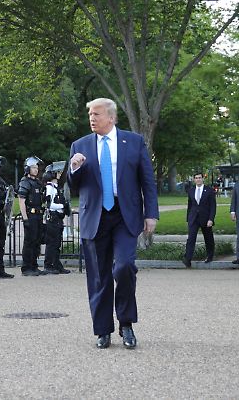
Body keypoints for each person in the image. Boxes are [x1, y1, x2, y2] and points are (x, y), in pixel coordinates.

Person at [68, 98, 158, 349]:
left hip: (124, 215)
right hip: (94, 217)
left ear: (111, 117)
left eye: (96, 114)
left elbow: (147, 181)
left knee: (125, 267)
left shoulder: (134, 142)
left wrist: (151, 213)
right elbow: (73, 186)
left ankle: (126, 323)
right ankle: (103, 330)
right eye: (89, 114)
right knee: (98, 277)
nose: (92, 118)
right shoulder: (80, 145)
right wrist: (74, 168)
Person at [18, 156, 47, 276]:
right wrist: (25, 218)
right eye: (33, 167)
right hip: (30, 215)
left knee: (36, 241)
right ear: (27, 168)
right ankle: (26, 267)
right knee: (29, 242)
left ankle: (34, 265)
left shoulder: (38, 183)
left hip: (39, 215)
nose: (36, 170)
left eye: (36, 167)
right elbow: (21, 201)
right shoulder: (25, 182)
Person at [42, 162, 72, 274]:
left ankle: (56, 264)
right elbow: (49, 205)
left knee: (56, 243)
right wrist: (62, 206)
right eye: (57, 172)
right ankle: (48, 265)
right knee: (52, 243)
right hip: (52, 218)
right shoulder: (49, 187)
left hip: (57, 219)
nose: (59, 174)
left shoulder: (55, 187)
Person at [183, 173, 216, 267]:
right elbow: (190, 205)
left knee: (208, 238)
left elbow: (213, 206)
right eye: (196, 178)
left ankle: (210, 256)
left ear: (203, 179)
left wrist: (211, 219)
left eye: (200, 178)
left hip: (206, 218)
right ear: (194, 180)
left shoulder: (209, 191)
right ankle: (187, 259)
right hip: (193, 218)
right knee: (191, 238)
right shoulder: (191, 191)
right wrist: (188, 219)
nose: (198, 180)